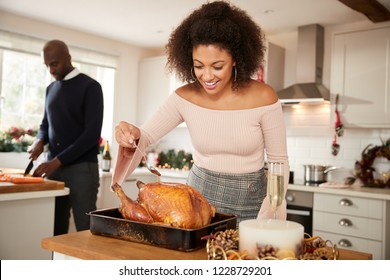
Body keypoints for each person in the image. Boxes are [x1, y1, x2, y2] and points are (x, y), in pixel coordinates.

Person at [113, 1, 289, 223]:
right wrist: (129, 133)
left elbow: (278, 163)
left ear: (235, 59)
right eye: (198, 66)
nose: (207, 76)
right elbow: (144, 136)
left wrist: (270, 217)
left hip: (251, 203)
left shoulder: (263, 97)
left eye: (217, 66)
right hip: (194, 202)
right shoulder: (184, 98)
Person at [29, 39, 104, 235]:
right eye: (47, 65)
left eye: (55, 64)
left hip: (82, 170)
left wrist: (56, 161)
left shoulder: (91, 87)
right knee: (55, 228)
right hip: (54, 168)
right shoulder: (50, 89)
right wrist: (39, 140)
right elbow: (46, 125)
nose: (51, 70)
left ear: (68, 58)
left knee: (86, 230)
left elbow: (91, 135)